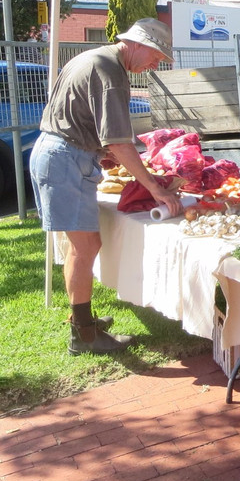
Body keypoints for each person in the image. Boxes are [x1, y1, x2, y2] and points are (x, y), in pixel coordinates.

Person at [30, 19, 184, 355]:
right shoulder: (111, 73)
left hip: (64, 153)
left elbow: (80, 119)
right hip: (65, 160)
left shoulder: (92, 57)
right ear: (137, 43)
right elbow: (118, 141)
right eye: (156, 56)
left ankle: (83, 323)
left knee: (85, 246)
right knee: (84, 249)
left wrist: (100, 154)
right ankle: (84, 336)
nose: (155, 64)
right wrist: (155, 187)